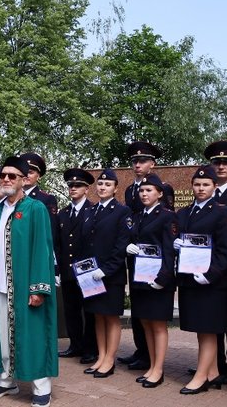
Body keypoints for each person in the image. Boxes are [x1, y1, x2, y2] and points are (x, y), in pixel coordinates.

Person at [0, 156, 57, 407]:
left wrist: (38, 288)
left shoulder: (35, 209)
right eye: (3, 176)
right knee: (3, 335)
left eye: (12, 176)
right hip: (0, 285)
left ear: (23, 180)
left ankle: (41, 387)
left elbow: (42, 250)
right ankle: (6, 381)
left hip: (25, 286)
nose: (5, 180)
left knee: (32, 335)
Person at [120, 141, 175, 371]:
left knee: (154, 317)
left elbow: (166, 230)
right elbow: (131, 222)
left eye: (142, 160)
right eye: (134, 161)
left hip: (155, 261)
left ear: (152, 164)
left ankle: (152, 361)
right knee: (140, 313)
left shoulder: (163, 190)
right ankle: (141, 351)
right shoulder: (130, 190)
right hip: (138, 260)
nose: (137, 164)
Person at [174, 165, 227, 394]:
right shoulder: (185, 212)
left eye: (206, 184)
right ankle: (213, 371)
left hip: (212, 283)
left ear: (214, 187)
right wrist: (176, 244)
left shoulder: (222, 212)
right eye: (197, 184)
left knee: (207, 330)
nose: (200, 188)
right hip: (190, 279)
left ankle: (201, 377)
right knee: (200, 328)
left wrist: (210, 275)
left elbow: (225, 250)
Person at [126, 173, 177, 388]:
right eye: (142, 190)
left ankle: (159, 369)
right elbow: (131, 239)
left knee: (157, 325)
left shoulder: (167, 216)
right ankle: (152, 366)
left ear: (159, 193)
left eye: (149, 190)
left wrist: (163, 278)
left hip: (158, 280)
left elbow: (169, 250)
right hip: (140, 279)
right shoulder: (138, 216)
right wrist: (127, 249)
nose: (144, 193)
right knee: (146, 323)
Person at [79, 169, 130, 379]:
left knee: (111, 318)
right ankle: (101, 356)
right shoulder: (92, 210)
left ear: (116, 189)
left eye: (107, 185)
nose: (102, 188)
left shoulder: (121, 212)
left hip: (111, 275)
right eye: (100, 184)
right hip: (91, 276)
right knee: (98, 316)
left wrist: (106, 270)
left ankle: (110, 359)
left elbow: (121, 245)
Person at [54, 168, 97, 364]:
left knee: (89, 311)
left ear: (87, 189)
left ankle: (90, 348)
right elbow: (59, 243)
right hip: (68, 270)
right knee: (71, 309)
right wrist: (58, 269)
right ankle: (75, 344)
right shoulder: (63, 213)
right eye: (71, 185)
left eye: (78, 185)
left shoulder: (93, 211)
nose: (73, 188)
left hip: (87, 270)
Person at [204, 141, 227, 379]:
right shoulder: (206, 197)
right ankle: (215, 367)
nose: (221, 166)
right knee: (213, 323)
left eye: (225, 162)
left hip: (226, 267)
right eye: (216, 162)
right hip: (208, 270)